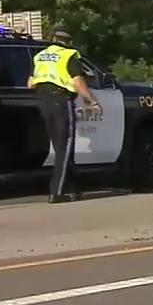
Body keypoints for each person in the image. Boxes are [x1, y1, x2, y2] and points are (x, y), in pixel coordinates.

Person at [27, 30, 101, 203]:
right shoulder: (69, 55)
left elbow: (30, 83)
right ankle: (56, 192)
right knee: (65, 147)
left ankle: (73, 189)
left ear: (53, 40)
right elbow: (78, 82)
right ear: (68, 41)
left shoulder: (40, 56)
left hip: (42, 101)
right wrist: (92, 101)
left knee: (63, 149)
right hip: (61, 101)